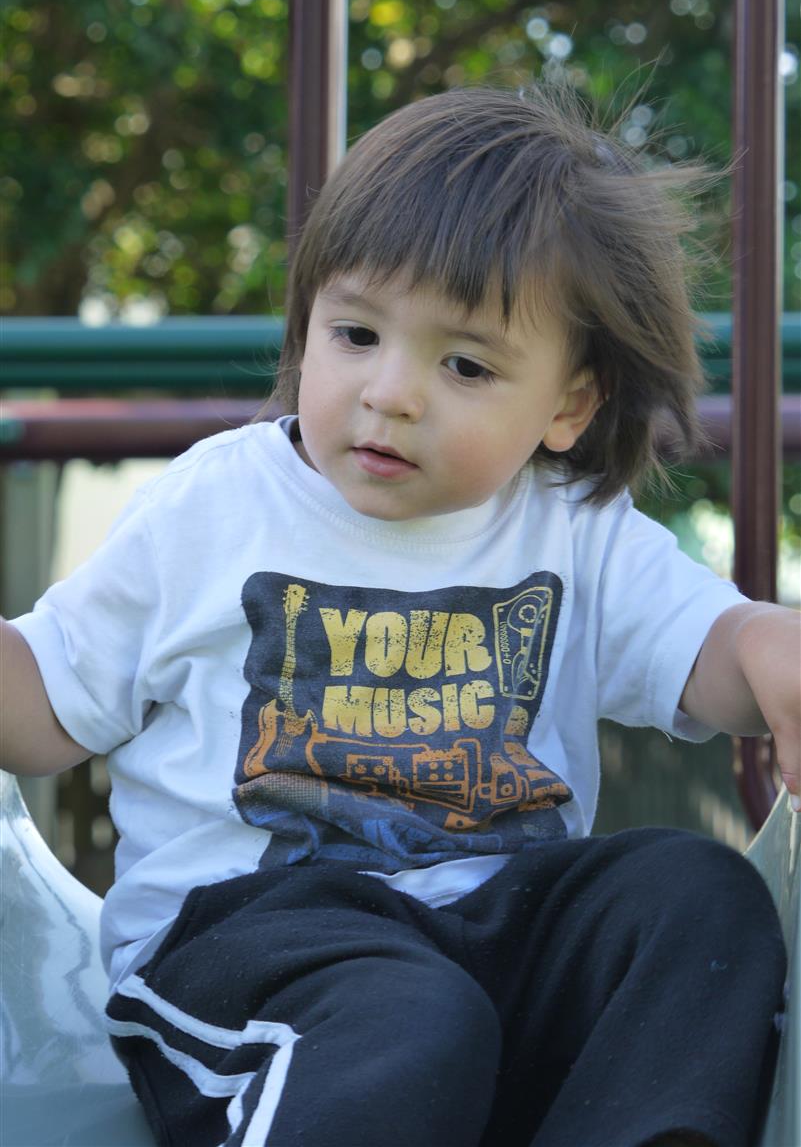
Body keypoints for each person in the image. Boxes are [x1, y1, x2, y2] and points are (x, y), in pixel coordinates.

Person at [1, 84, 798, 1147]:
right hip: (250, 944)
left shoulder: (575, 532)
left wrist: (767, 643)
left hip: (493, 934)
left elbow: (708, 649)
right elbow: (48, 697)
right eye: (356, 332)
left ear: (568, 403)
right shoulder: (216, 506)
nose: (391, 391)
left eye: (464, 363)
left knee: (693, 890)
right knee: (411, 1017)